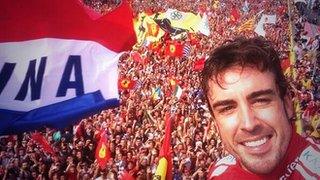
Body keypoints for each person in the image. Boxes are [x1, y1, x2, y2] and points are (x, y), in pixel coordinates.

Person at [201, 37, 320, 179]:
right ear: (216, 124)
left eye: (261, 101)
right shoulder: (218, 173)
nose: (249, 124)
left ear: (288, 104)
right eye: (227, 109)